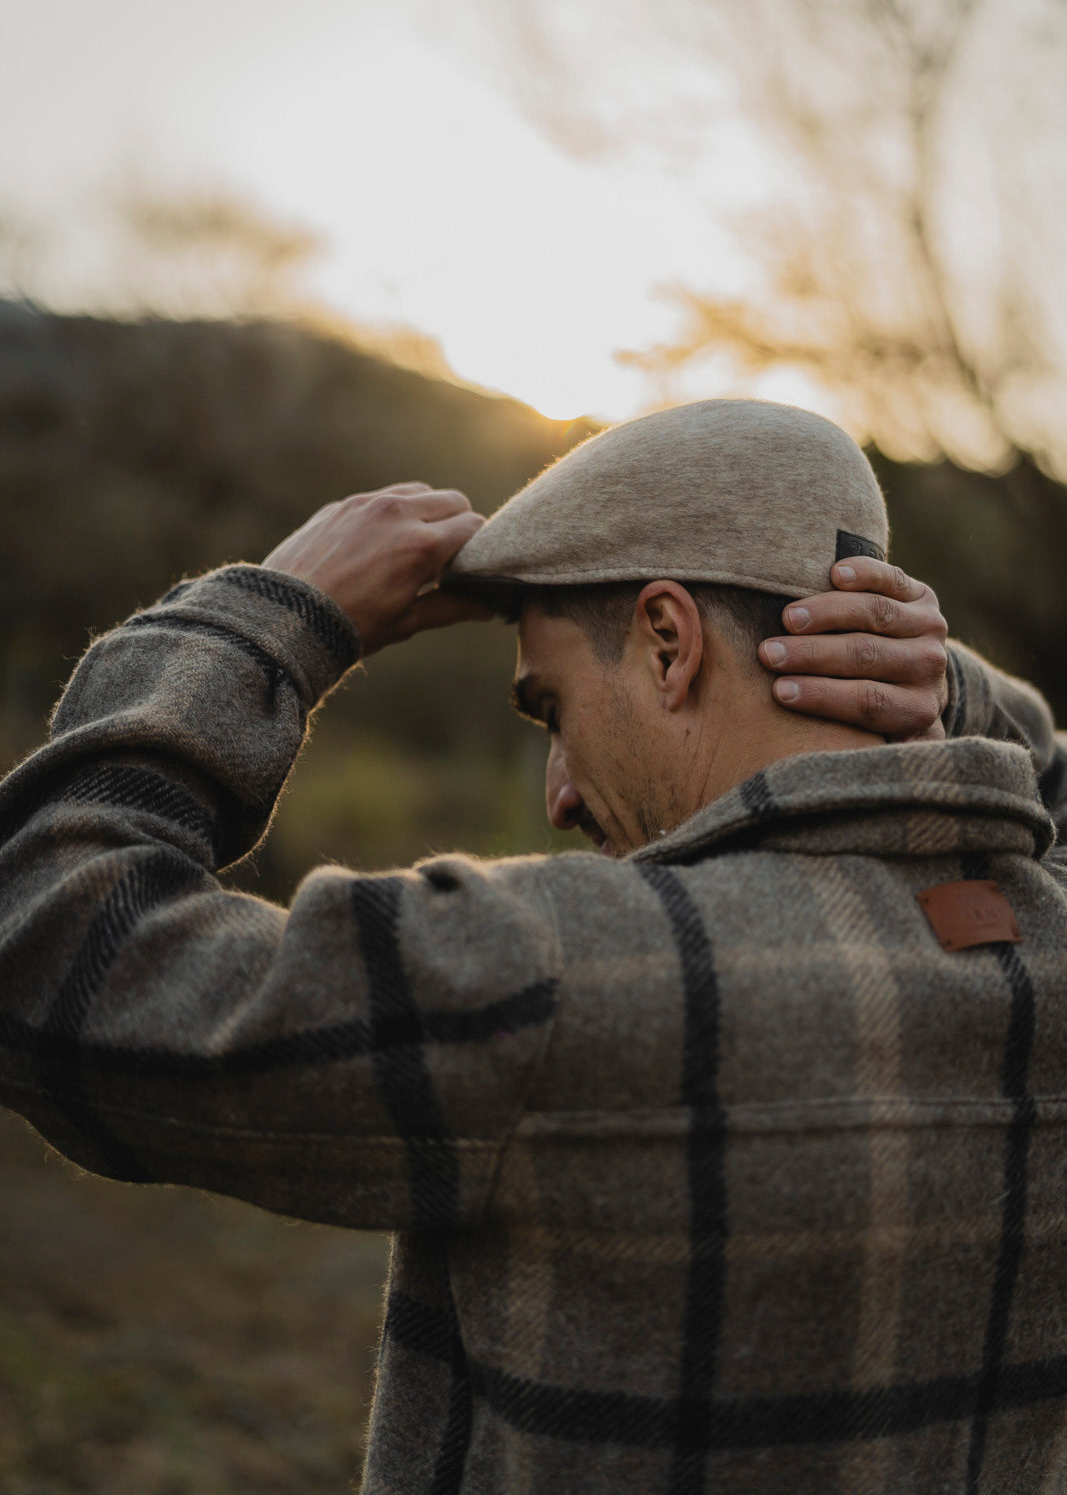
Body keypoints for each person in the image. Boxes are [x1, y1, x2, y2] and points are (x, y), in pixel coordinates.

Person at [0, 398, 1063, 1494]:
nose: (556, 795)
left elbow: (48, 939)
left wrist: (264, 619)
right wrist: (949, 690)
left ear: (667, 642)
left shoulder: (559, 975)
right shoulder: (1048, 936)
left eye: (549, 707)